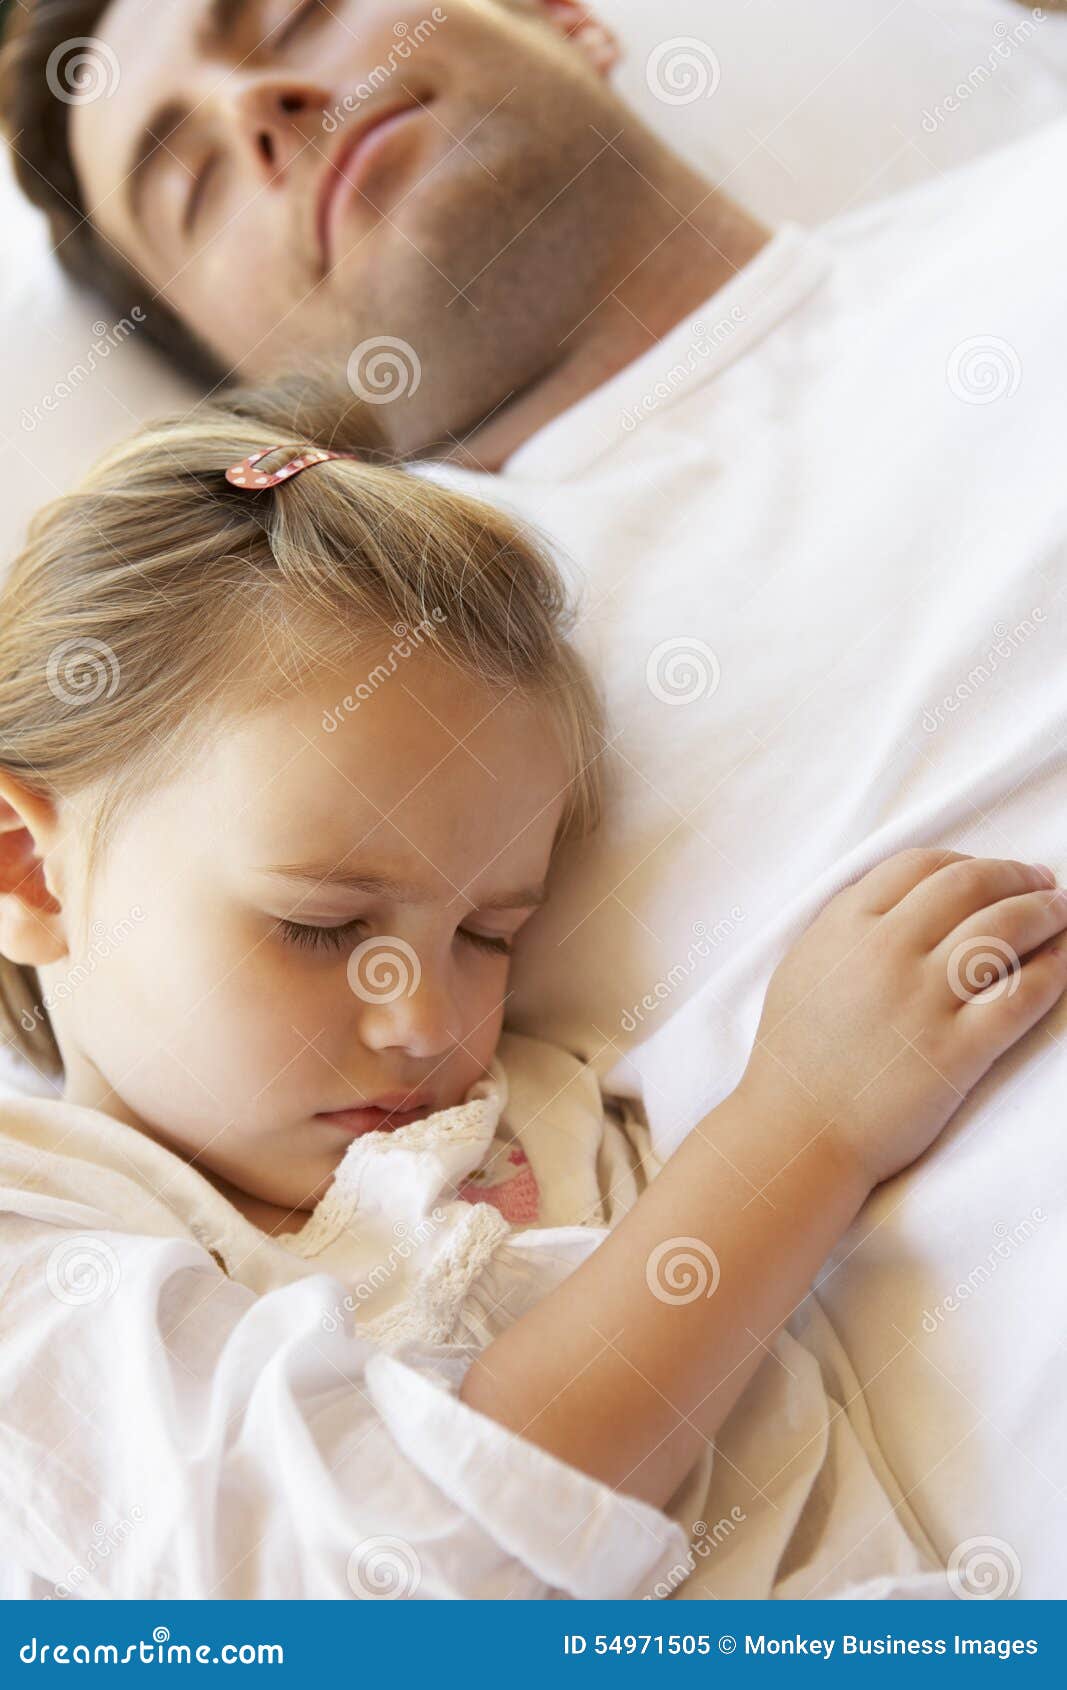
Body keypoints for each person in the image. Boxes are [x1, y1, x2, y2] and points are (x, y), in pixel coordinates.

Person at [3, 0, 1067, 1581]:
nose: (428, 1014)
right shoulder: (327, 668)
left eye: (297, 10)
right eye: (189, 181)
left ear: (563, 13)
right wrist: (804, 1128)